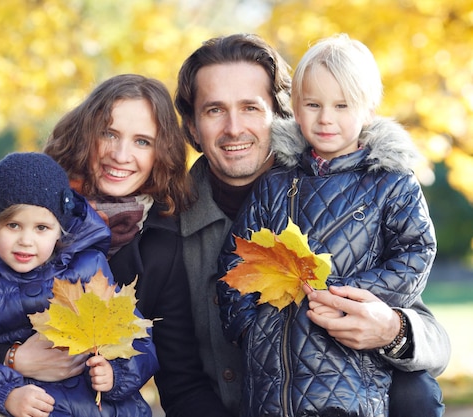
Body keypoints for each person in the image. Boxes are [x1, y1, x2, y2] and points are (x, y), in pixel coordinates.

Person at [0, 74, 232, 417]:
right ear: (87, 133)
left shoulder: (161, 243)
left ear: (160, 154)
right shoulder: (16, 203)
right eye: (109, 133)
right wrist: (13, 358)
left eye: (142, 142)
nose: (121, 154)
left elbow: (180, 378)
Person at [175, 33, 448, 416]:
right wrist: (251, 332)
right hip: (265, 395)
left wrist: (384, 324)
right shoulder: (177, 225)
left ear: (278, 112)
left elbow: (420, 292)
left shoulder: (384, 185)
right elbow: (181, 374)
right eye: (215, 109)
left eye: (251, 107)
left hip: (350, 389)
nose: (234, 127)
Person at [0, 152, 157, 417]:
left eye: (41, 228)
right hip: (21, 404)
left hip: (91, 407)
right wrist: (5, 395)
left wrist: (115, 373)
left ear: (60, 230)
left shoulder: (88, 271)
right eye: (13, 225)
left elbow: (135, 336)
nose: (26, 240)